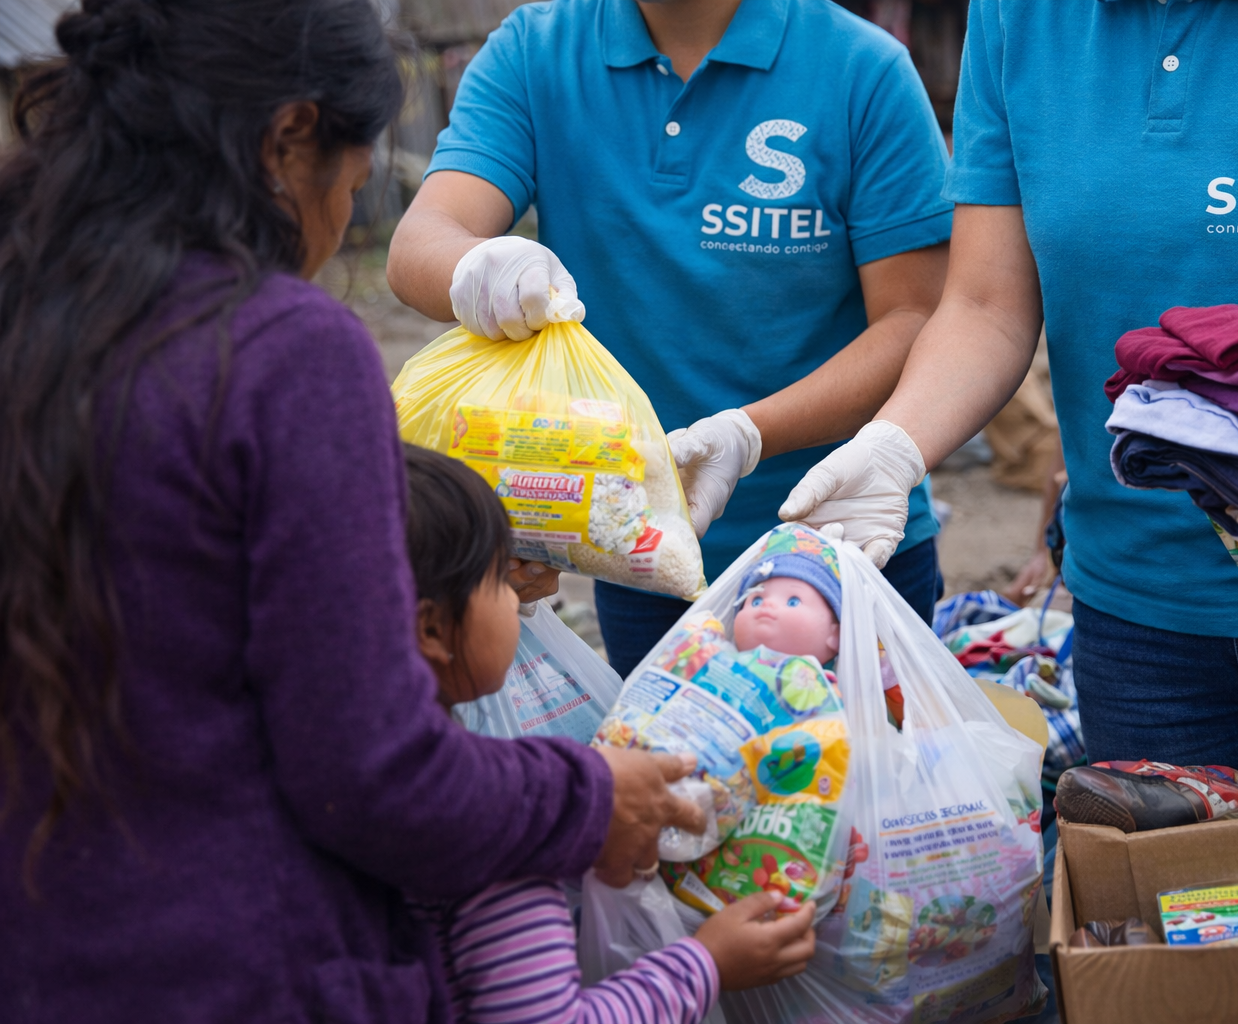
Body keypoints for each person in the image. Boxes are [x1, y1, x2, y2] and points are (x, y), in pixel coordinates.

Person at [0, 4, 700, 1021]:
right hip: (232, 966)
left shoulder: (34, 309)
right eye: (354, 179)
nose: (337, 226)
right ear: (289, 139)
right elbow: (373, 774)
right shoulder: (282, 352)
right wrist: (590, 797)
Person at [781, 0, 1238, 811]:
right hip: (1144, 629)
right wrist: (897, 444)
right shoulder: (1017, 17)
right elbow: (986, 305)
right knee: (1179, 898)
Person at [387, 0, 953, 676]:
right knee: (658, 747)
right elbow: (420, 242)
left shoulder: (860, 69)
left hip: (842, 544)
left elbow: (915, 321)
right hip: (641, 551)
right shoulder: (537, 52)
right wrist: (478, 268)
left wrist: (749, 434)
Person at [400, 446, 815, 1024]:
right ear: (430, 628)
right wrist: (708, 964)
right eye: (500, 580)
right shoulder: (503, 825)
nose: (535, 594)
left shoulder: (377, 780)